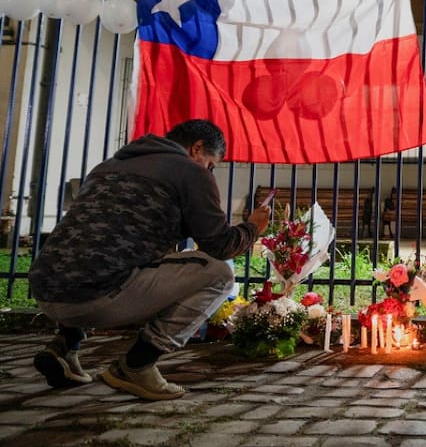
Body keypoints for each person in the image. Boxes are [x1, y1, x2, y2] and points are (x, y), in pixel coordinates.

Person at [29, 119, 270, 399]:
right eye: (211, 164)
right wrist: (253, 227)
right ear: (197, 148)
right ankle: (137, 364)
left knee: (97, 254)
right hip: (96, 300)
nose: (210, 171)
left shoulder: (106, 167)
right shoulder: (190, 171)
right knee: (219, 274)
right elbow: (220, 246)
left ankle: (65, 348)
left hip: (46, 291)